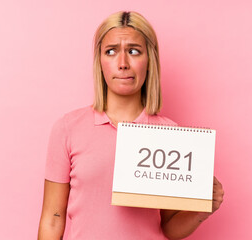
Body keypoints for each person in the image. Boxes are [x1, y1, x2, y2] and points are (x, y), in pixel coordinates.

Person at [38, 11, 224, 240]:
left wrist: (202, 208)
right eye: (111, 51)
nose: (123, 63)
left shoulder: (170, 134)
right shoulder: (68, 128)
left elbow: (169, 228)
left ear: (149, 60)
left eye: (134, 51)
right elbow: (53, 217)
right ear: (100, 61)